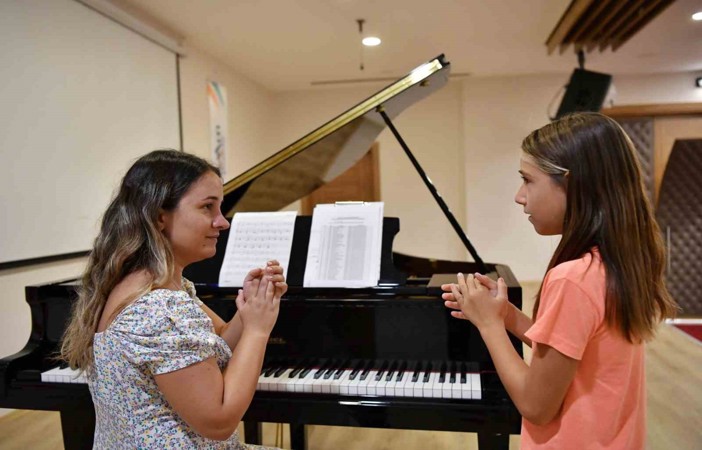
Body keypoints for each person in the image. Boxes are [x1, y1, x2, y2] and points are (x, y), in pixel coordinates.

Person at [442, 112, 677, 449]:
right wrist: (507, 315)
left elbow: (535, 406)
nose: (519, 196)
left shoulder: (572, 279)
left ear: (571, 183)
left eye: (528, 180)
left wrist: (489, 325)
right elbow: (573, 354)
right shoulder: (614, 262)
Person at [60, 149, 287, 449]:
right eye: (208, 207)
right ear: (159, 217)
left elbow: (217, 341)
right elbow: (219, 421)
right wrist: (258, 330)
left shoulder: (146, 284)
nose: (223, 222)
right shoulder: (161, 309)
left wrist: (249, 310)